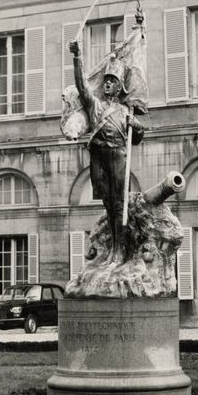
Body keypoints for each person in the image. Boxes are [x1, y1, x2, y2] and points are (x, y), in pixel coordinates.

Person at [69, 39, 144, 263]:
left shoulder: (125, 111)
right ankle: (114, 243)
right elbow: (82, 85)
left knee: (120, 202)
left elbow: (137, 139)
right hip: (99, 157)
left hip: (118, 155)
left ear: (120, 87)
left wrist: (137, 126)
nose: (107, 84)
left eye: (112, 81)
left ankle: (120, 249)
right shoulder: (96, 106)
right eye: (106, 81)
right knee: (107, 202)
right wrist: (77, 57)